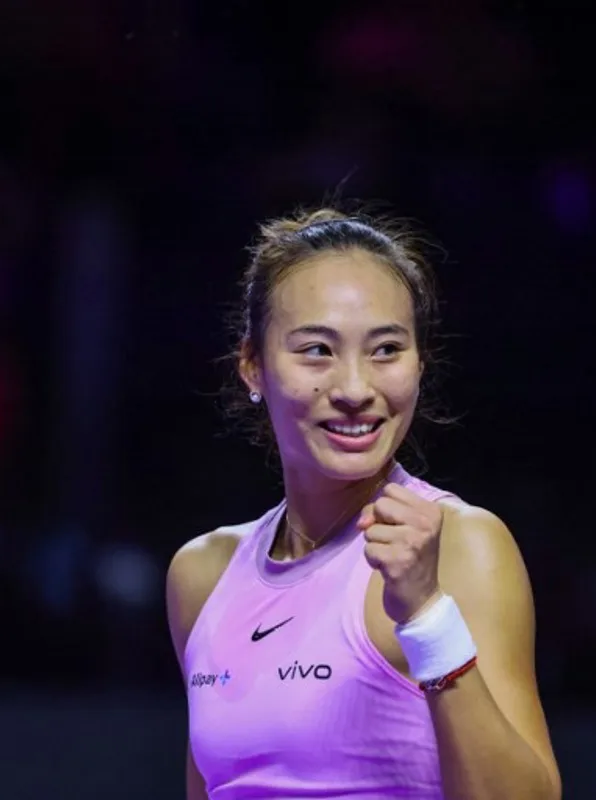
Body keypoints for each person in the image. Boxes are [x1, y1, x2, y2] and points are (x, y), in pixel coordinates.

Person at [165, 208, 561, 799]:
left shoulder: (464, 546)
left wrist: (427, 614)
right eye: (317, 350)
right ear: (253, 366)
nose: (355, 389)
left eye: (385, 350)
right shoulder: (201, 574)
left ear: (420, 363)